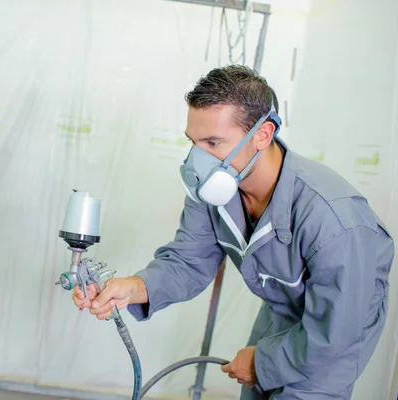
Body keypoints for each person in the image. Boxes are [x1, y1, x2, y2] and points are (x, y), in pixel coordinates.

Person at [71, 65, 394, 399]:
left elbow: (335, 331)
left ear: (263, 135)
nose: (199, 160)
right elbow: (188, 260)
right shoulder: (215, 188)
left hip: (337, 330)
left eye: (213, 142)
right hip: (283, 310)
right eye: (194, 143)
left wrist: (264, 360)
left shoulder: (336, 221)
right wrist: (133, 288)